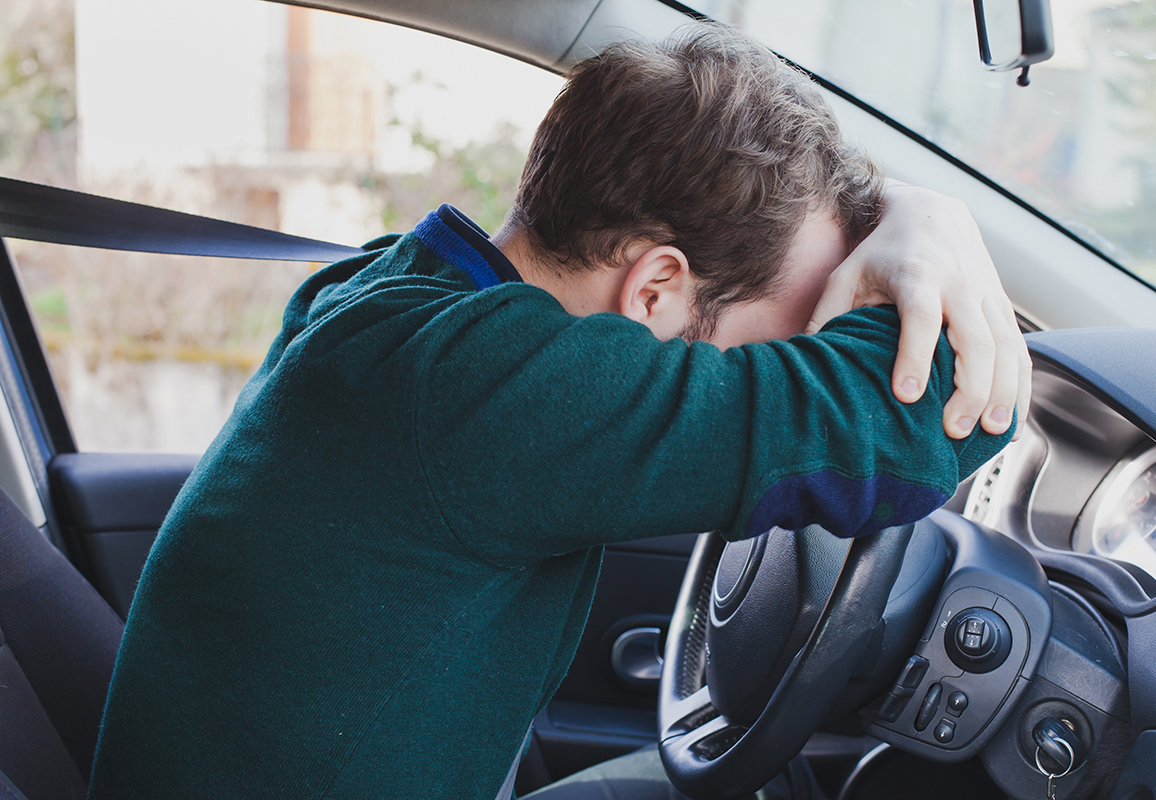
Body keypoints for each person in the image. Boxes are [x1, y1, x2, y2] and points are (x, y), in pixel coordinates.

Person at [88, 23, 1028, 800]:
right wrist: (933, 222)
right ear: (657, 286)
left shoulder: (400, 301)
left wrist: (903, 210)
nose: (794, 368)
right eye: (792, 338)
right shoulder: (494, 393)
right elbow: (927, 421)